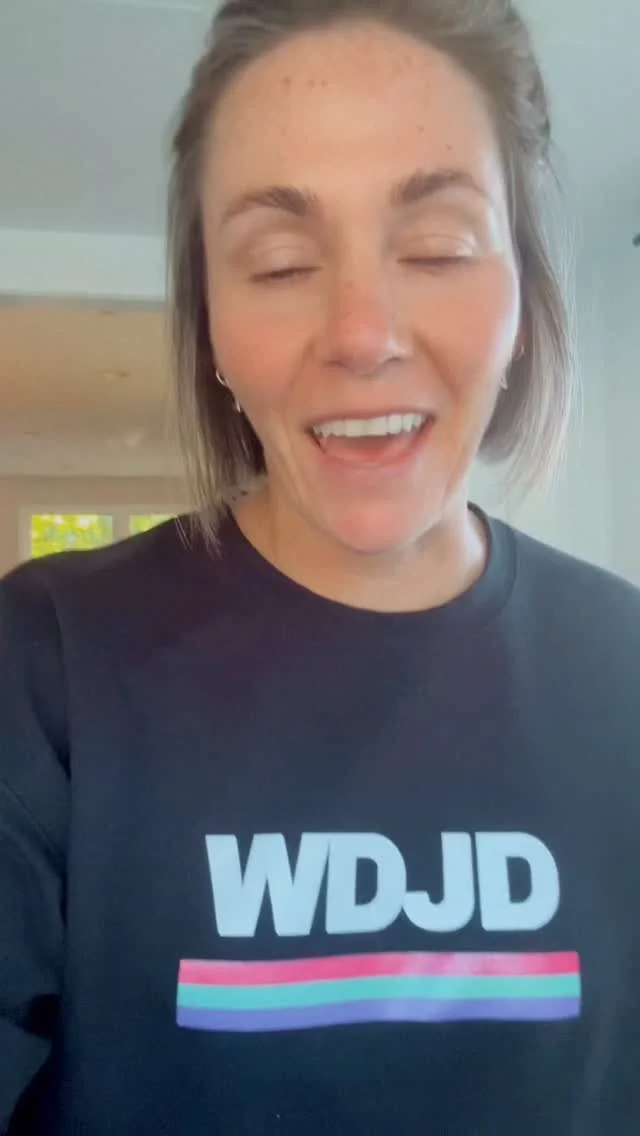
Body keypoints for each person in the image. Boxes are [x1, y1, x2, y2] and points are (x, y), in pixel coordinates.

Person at [1, 0, 639, 1132]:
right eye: (282, 262)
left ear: (523, 298)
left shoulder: (624, 669)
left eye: (437, 248)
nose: (361, 334)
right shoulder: (44, 665)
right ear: (211, 324)